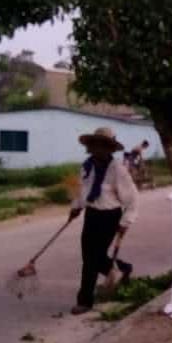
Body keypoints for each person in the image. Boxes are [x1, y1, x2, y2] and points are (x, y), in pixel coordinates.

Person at [68, 127, 139, 315]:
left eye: (103, 145)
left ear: (110, 148)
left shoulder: (117, 170)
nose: (98, 149)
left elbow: (132, 199)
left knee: (94, 259)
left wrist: (126, 222)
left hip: (110, 216)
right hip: (91, 215)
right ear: (90, 147)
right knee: (88, 257)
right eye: (95, 145)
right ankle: (122, 268)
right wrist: (76, 207)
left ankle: (84, 301)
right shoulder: (86, 166)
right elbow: (82, 190)